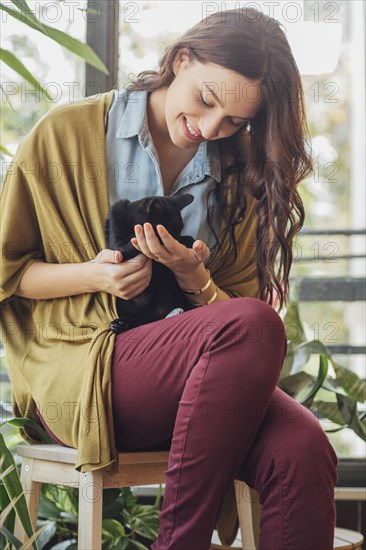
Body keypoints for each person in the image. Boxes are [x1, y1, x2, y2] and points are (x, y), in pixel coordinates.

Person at [0, 7, 338, 550]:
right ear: (181, 59)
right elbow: (9, 270)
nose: (209, 129)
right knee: (249, 324)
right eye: (206, 100)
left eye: (233, 122)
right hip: (88, 372)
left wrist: (195, 277)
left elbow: (242, 324)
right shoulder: (63, 135)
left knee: (302, 445)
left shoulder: (235, 173)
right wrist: (94, 276)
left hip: (204, 386)